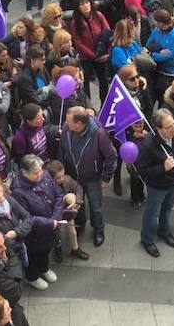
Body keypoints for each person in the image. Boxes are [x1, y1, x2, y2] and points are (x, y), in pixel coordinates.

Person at [59, 106, 117, 248]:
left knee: (95, 206)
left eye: (70, 122)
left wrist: (105, 178)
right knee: (77, 203)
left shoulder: (99, 134)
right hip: (73, 176)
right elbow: (62, 149)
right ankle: (80, 224)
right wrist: (62, 170)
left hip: (93, 177)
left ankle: (98, 229)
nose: (66, 124)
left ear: (79, 124)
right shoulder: (67, 128)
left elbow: (111, 156)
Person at [135, 108, 174, 258]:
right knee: (152, 214)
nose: (173, 129)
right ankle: (147, 240)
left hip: (173, 181)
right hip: (157, 186)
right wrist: (162, 168)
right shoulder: (148, 144)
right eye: (168, 127)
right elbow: (142, 170)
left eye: (173, 124)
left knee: (168, 208)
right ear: (158, 128)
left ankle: (164, 231)